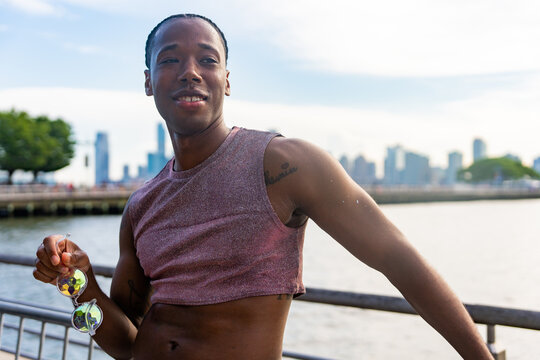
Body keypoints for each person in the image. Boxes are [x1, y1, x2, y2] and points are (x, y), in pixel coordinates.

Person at [34, 14, 492, 359]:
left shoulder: (284, 163)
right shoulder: (141, 205)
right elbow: (123, 340)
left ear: (226, 81)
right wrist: (77, 283)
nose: (191, 71)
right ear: (150, 82)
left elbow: (397, 258)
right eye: (170, 59)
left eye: (208, 60)